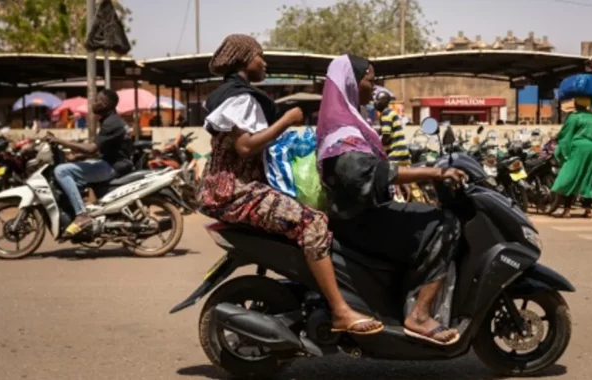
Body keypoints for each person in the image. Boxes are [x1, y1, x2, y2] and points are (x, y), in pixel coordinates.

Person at [196, 35, 383, 336]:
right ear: (245, 59)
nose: (264, 62)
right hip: (236, 191)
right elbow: (245, 147)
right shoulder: (240, 97)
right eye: (259, 56)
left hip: (229, 187)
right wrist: (287, 120)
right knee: (313, 223)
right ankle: (340, 311)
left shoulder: (231, 94)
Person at [316, 54, 466, 345]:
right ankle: (420, 315)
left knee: (423, 213)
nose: (374, 87)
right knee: (445, 223)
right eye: (370, 79)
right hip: (359, 221)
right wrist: (434, 172)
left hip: (361, 214)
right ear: (351, 82)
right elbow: (371, 173)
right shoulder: (341, 130)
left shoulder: (350, 119)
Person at [47, 89, 134, 236]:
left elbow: (92, 149)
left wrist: (59, 140)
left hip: (112, 166)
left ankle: (81, 215)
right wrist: (78, 157)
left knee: (62, 171)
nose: (93, 103)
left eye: (97, 100)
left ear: (107, 104)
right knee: (72, 170)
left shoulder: (112, 123)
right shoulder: (111, 120)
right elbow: (102, 149)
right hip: (112, 162)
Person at [551, 97, 592, 218]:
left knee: (571, 177)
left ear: (576, 104)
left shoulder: (574, 117)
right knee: (587, 178)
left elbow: (566, 134)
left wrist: (561, 150)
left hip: (578, 148)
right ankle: (588, 210)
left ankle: (567, 210)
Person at [374, 91, 414, 201]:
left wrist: (378, 146)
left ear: (385, 102)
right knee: (402, 180)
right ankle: (408, 199)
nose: (375, 102)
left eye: (378, 100)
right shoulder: (391, 113)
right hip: (403, 153)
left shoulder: (385, 114)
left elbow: (386, 136)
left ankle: (398, 201)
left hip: (395, 153)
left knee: (390, 177)